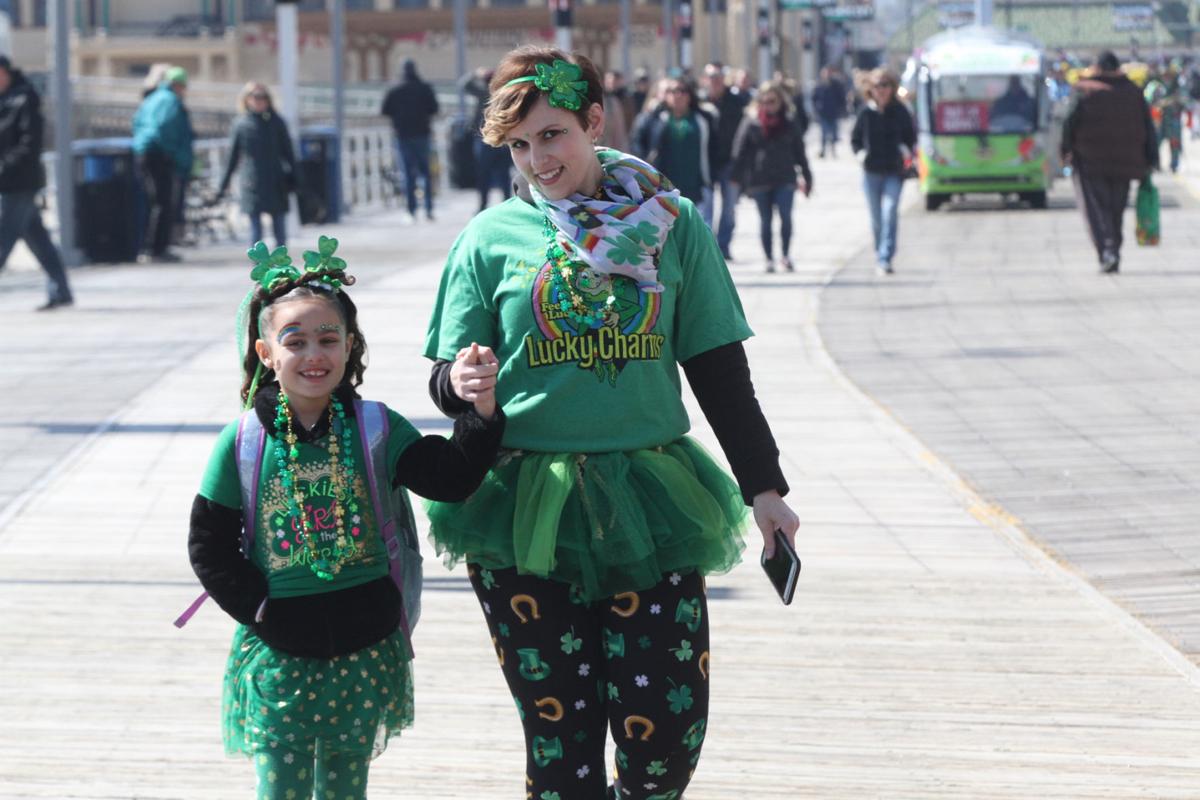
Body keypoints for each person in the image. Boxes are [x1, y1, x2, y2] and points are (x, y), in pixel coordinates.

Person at [423, 46, 799, 800]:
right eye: (521, 145)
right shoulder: (489, 238)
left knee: (666, 740)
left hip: (650, 500)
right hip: (525, 509)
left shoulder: (672, 224)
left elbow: (720, 372)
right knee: (562, 751)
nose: (538, 160)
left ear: (594, 120)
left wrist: (765, 488)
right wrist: (458, 383)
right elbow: (446, 378)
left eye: (553, 135)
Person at [186, 236, 505, 798]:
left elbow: (449, 479)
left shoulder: (377, 427)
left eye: (328, 339)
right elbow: (208, 543)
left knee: (344, 783)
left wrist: (479, 415)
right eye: (296, 341)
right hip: (279, 641)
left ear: (350, 346)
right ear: (266, 355)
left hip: (364, 639)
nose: (315, 355)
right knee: (279, 784)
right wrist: (259, 607)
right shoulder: (242, 440)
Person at [1059, 51, 1158, 273]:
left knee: (1096, 209)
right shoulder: (1133, 91)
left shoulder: (1084, 90)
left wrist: (1065, 150)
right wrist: (1151, 158)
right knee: (1117, 208)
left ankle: (1108, 250)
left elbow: (1068, 122)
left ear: (1096, 67)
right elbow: (1148, 126)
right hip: (1127, 161)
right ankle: (1114, 248)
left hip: (1089, 161)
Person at [0, 56, 73, 311]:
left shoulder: (24, 99)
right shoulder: (6, 100)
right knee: (37, 239)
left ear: (6, 72)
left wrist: (4, 165)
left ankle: (60, 290)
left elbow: (29, 144)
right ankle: (60, 290)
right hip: (9, 181)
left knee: (3, 236)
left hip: (18, 182)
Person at [730, 80, 813, 274]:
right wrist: (737, 177)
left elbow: (800, 151)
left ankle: (785, 255)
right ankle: (768, 258)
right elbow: (739, 150)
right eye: (765, 101)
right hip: (760, 179)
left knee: (785, 217)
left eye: (773, 101)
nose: (769, 105)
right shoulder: (751, 122)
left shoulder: (789, 122)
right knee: (765, 220)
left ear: (780, 101)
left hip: (785, 178)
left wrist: (807, 177)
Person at [850, 67, 915, 275]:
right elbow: (855, 139)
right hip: (871, 172)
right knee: (876, 218)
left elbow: (910, 136)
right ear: (871, 88)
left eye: (885, 85)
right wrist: (860, 154)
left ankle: (885, 256)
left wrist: (905, 149)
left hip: (894, 171)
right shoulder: (866, 112)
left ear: (892, 88)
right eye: (878, 86)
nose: (882, 90)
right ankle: (880, 251)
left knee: (890, 212)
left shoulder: (900, 110)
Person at [216, 83, 297, 248]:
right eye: (255, 97)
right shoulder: (241, 124)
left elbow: (289, 153)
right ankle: (259, 266)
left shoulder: (277, 122)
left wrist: (298, 179)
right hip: (252, 180)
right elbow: (232, 157)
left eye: (263, 97)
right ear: (247, 100)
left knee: (279, 226)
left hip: (276, 179)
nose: (259, 101)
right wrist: (222, 186)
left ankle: (281, 264)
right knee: (255, 227)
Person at [632, 74, 718, 226]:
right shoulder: (656, 120)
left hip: (697, 187)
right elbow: (639, 144)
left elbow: (714, 150)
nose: (677, 95)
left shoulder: (703, 120)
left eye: (682, 91)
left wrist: (710, 180)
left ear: (690, 95)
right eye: (672, 91)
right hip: (665, 189)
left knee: (699, 232)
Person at [132, 65, 194, 263]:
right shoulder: (171, 101)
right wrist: (174, 154)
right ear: (178, 85)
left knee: (152, 202)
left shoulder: (151, 98)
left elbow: (136, 122)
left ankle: (147, 247)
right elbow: (165, 129)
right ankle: (157, 249)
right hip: (159, 154)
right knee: (163, 202)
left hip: (143, 151)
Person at [381, 59, 440, 221]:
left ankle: (411, 210)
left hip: (402, 135)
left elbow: (385, 110)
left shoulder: (394, 89)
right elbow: (434, 108)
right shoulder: (425, 88)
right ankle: (428, 209)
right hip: (423, 134)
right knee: (425, 173)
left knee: (407, 174)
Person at [703, 61, 750, 260]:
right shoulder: (700, 102)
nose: (715, 81)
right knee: (705, 208)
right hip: (705, 162)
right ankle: (708, 248)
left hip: (730, 162)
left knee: (729, 207)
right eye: (711, 77)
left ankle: (723, 245)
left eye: (718, 77)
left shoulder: (736, 101)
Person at [461, 67, 513, 212]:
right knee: (504, 175)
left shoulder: (482, 93)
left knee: (484, 175)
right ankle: (507, 205)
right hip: (503, 140)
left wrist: (474, 73)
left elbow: (464, 84)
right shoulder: (505, 94)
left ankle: (483, 205)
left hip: (485, 140)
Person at [812, 66, 848, 158]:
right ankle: (823, 151)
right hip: (823, 113)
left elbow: (842, 97)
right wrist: (816, 109)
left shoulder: (837, 85)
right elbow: (814, 98)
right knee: (824, 133)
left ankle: (833, 151)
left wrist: (842, 109)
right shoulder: (819, 85)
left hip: (834, 113)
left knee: (834, 133)